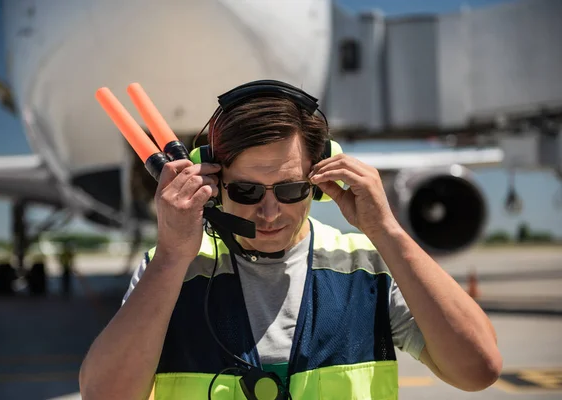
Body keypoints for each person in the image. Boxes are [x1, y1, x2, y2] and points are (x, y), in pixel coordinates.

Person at [79, 80, 502, 400]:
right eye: (246, 191)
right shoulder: (174, 268)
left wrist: (387, 231)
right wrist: (172, 255)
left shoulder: (367, 267)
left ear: (319, 182)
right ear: (211, 182)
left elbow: (478, 369)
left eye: (288, 190)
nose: (268, 213)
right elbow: (105, 394)